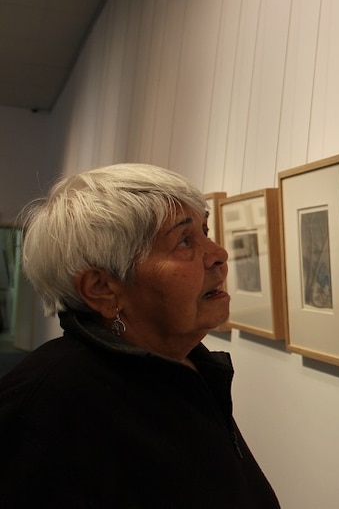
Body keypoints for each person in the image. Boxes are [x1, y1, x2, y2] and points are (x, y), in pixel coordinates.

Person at [0, 163, 280, 507]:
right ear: (103, 289)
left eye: (205, 230)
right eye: (184, 241)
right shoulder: (45, 403)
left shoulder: (187, 366)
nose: (218, 255)